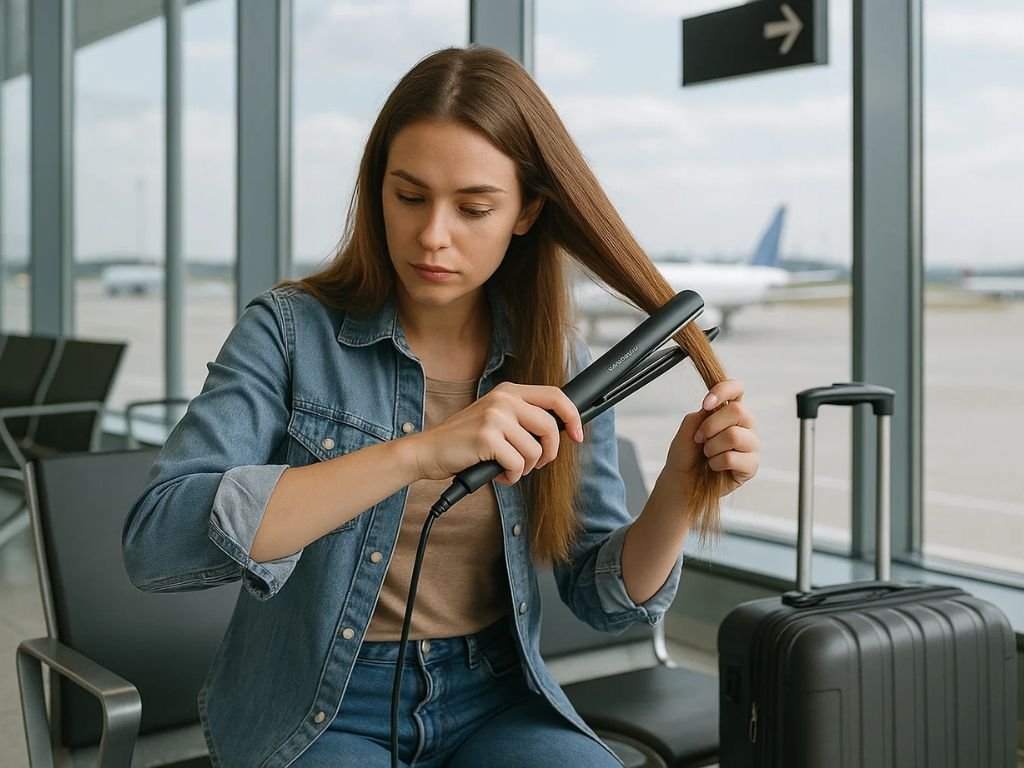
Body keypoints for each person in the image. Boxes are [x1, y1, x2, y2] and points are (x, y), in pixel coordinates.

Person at [123, 45, 760, 768]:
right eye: (409, 196)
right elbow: (158, 539)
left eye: (474, 208)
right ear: (377, 190)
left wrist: (679, 491)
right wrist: (419, 451)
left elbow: (604, 599)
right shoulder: (289, 332)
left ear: (527, 213)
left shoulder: (558, 362)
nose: (432, 236)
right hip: (321, 706)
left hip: (496, 695)